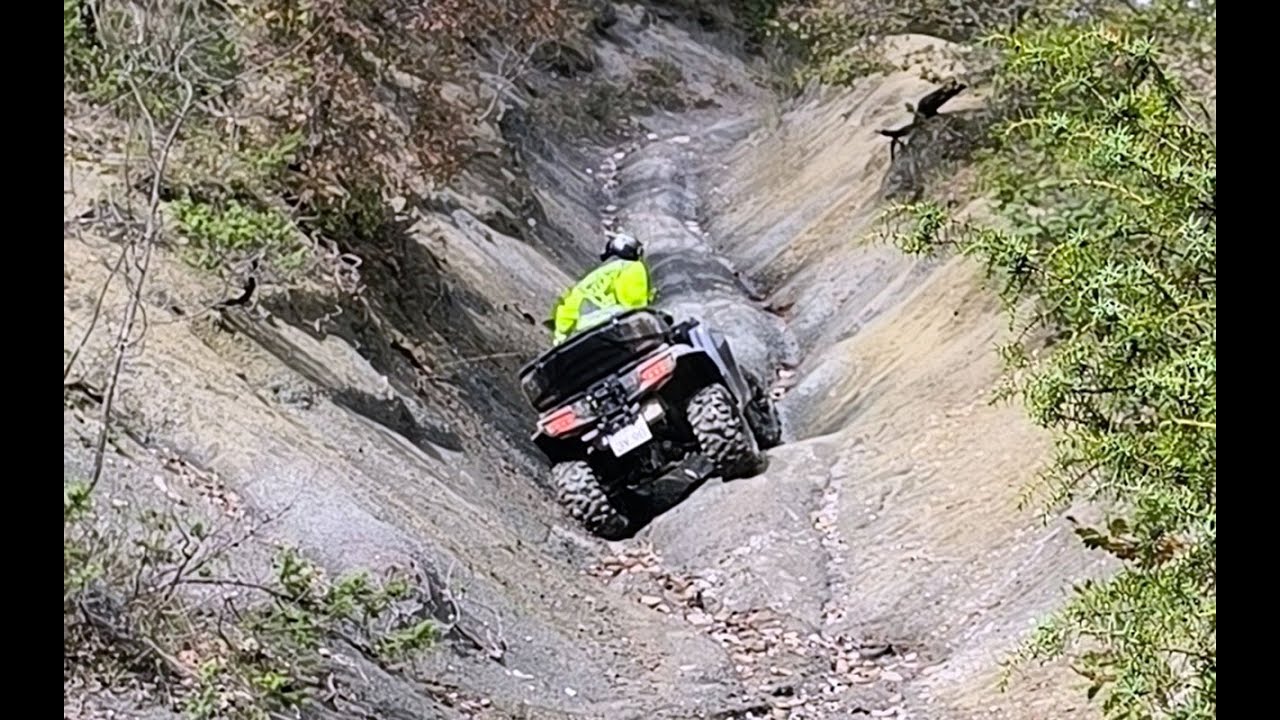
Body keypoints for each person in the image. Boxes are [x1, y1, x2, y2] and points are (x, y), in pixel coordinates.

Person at [551, 234, 654, 344]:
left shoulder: (589, 280)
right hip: (613, 327)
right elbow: (633, 302)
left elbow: (567, 312)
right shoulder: (632, 267)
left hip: (585, 335)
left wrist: (560, 338)